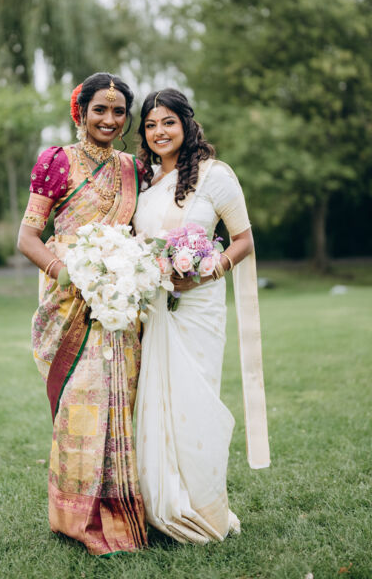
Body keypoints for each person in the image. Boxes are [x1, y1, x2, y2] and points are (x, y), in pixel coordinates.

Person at [17, 72, 147, 556]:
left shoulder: (135, 169)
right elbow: (27, 237)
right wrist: (68, 274)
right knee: (81, 406)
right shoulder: (57, 161)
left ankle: (121, 510)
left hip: (120, 307)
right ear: (81, 112)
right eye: (100, 110)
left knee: (120, 403)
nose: (109, 119)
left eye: (119, 112)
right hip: (71, 301)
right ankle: (75, 518)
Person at [133, 88, 270, 544]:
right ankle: (162, 502)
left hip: (199, 307)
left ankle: (203, 507)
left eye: (168, 122)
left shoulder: (216, 176)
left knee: (196, 402)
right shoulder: (146, 183)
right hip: (156, 308)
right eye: (150, 125)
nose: (159, 132)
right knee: (158, 402)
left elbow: (243, 239)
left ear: (187, 124)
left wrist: (211, 269)